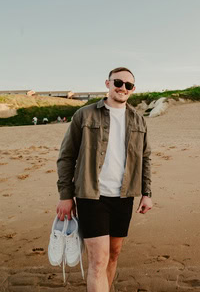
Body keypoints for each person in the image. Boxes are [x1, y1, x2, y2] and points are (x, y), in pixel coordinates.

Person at [56, 67, 152, 291]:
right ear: (107, 84)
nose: (122, 88)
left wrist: (147, 193)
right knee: (98, 261)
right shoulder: (85, 114)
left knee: (113, 255)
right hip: (91, 195)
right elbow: (66, 156)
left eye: (128, 85)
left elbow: (145, 158)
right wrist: (65, 195)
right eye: (118, 82)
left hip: (124, 195)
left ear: (133, 90)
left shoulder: (139, 120)